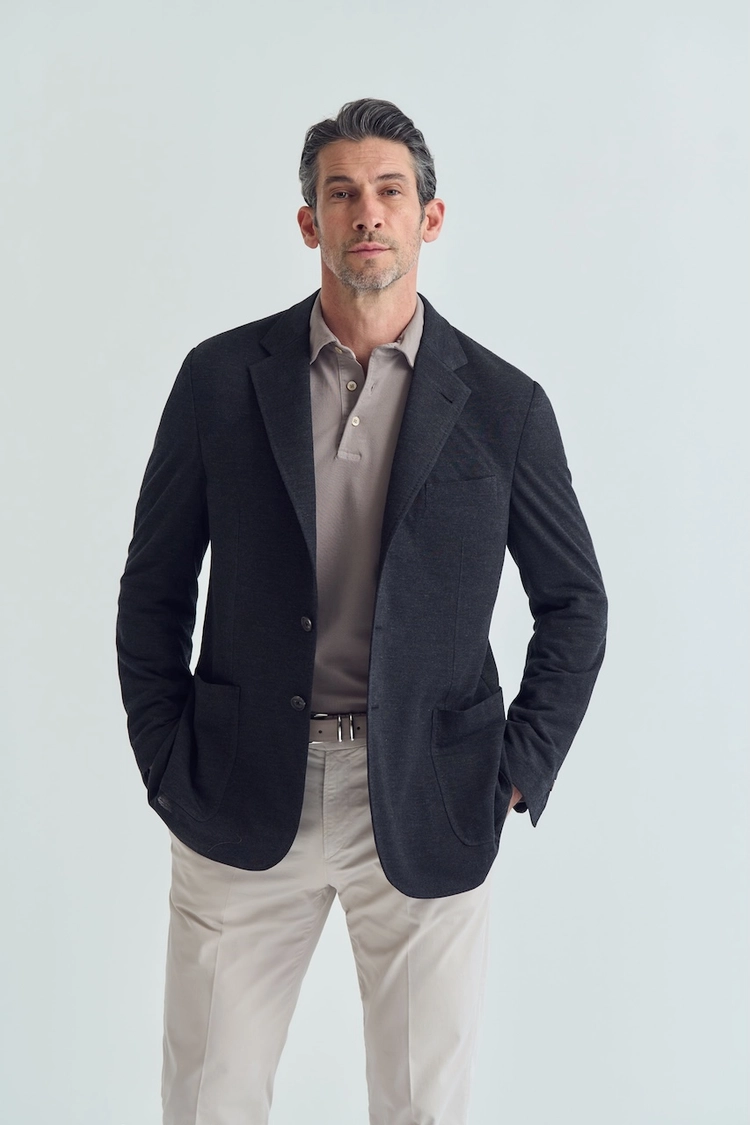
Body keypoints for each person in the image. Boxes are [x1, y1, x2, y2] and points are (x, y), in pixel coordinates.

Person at [116, 97, 607, 1125]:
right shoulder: (219, 381)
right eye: (341, 194)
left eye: (390, 191)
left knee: (423, 1108)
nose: (367, 212)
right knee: (206, 1101)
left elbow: (574, 603)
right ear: (311, 224)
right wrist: (166, 758)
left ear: (431, 217)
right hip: (240, 786)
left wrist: (516, 770)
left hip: (431, 794)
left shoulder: (506, 406)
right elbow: (155, 586)